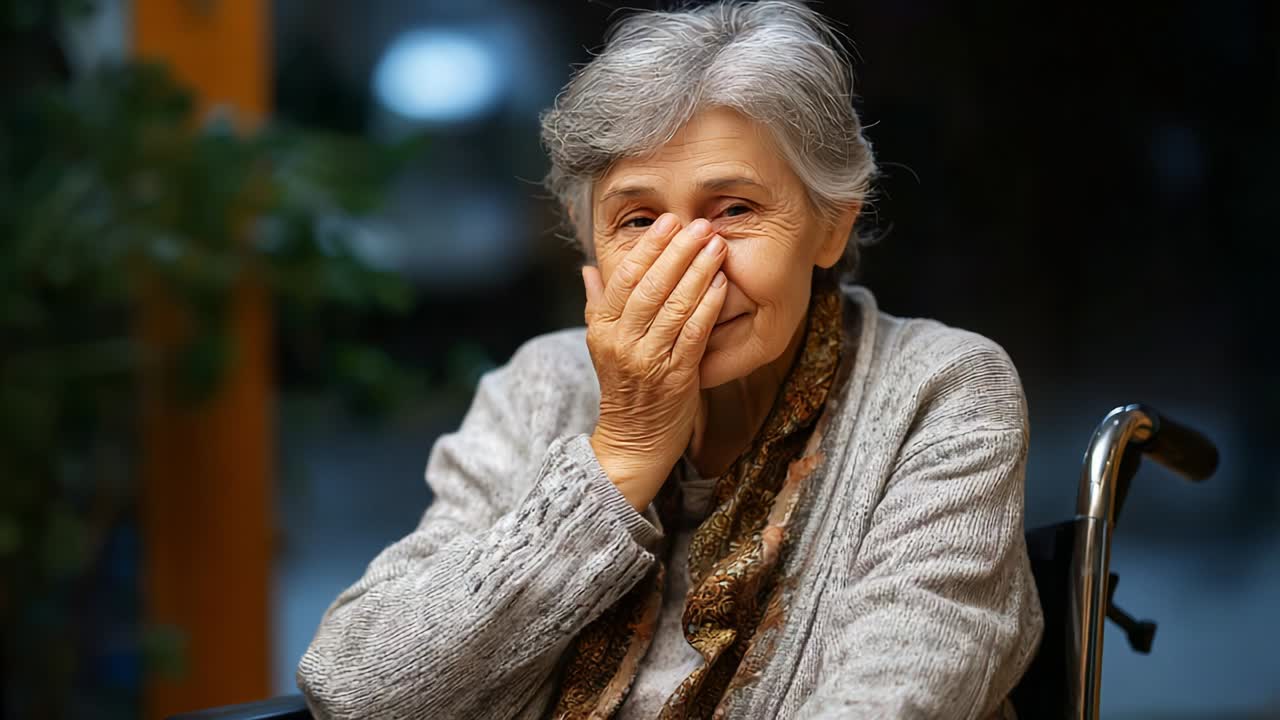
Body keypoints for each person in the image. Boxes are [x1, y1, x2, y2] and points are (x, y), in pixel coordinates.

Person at [296, 2, 1043, 718]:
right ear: (586, 241)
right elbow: (357, 691)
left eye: (735, 210)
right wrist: (618, 461)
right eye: (640, 219)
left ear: (831, 225)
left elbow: (897, 694)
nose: (691, 269)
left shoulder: (942, 391)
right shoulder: (540, 386)